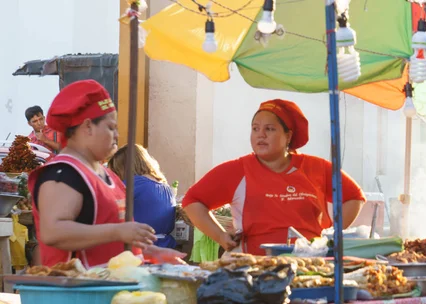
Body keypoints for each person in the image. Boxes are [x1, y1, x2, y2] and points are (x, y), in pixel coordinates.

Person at [28, 80, 185, 268]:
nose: (117, 135)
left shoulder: (107, 175)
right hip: (79, 291)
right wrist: (118, 231)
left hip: (113, 287)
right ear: (88, 127)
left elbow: (114, 236)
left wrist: (153, 253)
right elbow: (53, 232)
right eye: (111, 128)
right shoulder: (63, 174)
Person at [183, 99, 366, 255]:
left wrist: (332, 234)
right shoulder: (237, 170)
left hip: (312, 262)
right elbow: (192, 201)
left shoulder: (317, 168)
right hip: (255, 266)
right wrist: (220, 236)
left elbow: (353, 197)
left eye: (269, 129)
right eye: (255, 129)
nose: (260, 134)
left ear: (288, 136)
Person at [108, 144, 177, 249]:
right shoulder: (166, 187)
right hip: (165, 244)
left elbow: (106, 201)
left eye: (117, 171)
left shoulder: (135, 182)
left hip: (141, 246)